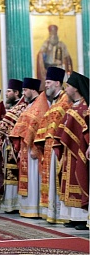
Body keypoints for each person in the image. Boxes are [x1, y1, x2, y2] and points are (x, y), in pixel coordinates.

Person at [34, 67, 71, 223]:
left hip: (58, 148)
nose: (46, 85)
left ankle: (61, 215)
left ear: (57, 83)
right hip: (49, 148)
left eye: (48, 82)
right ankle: (53, 213)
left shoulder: (64, 102)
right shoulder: (55, 102)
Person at [53, 71, 89, 230]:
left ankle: (81, 217)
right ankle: (71, 216)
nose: (66, 89)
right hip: (69, 152)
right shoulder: (73, 106)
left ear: (75, 88)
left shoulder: (84, 107)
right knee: (67, 181)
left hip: (78, 151)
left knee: (77, 179)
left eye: (68, 86)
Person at [9, 78, 49, 218]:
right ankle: (27, 208)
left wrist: (35, 147)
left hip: (34, 149)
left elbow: (40, 126)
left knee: (34, 179)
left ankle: (35, 208)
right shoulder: (30, 105)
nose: (23, 93)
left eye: (25, 90)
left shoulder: (41, 104)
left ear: (33, 90)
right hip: (25, 148)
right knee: (28, 179)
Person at [0, 80, 28, 213]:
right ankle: (10, 203)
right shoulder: (12, 107)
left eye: (9, 91)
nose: (6, 94)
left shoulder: (22, 107)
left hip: (16, 147)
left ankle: (16, 204)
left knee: (15, 174)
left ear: (16, 93)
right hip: (8, 146)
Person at [36, 25, 73, 89]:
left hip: (59, 68)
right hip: (49, 68)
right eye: (52, 32)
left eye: (55, 32)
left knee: (60, 86)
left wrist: (68, 68)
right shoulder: (46, 44)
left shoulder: (62, 44)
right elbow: (40, 54)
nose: (53, 34)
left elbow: (67, 57)